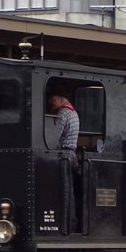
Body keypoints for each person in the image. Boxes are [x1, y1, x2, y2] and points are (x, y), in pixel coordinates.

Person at [47, 92, 80, 231]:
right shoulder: (73, 112)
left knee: (63, 190)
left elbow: (55, 135)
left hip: (64, 154)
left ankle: (65, 222)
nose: (50, 101)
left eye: (53, 98)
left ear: (61, 99)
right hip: (71, 154)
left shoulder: (63, 114)